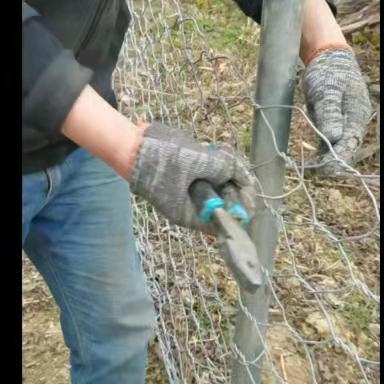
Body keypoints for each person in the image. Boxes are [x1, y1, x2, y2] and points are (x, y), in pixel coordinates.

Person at [22, 0, 372, 382]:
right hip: (87, 127)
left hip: (81, 149)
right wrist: (129, 149)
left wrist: (324, 41)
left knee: (117, 332)